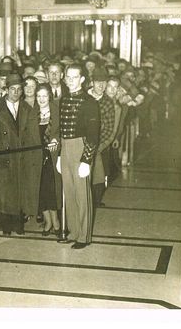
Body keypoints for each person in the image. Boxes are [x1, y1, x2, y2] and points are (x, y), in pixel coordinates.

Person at [0, 73, 42, 235]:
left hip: (22, 155)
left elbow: (32, 134)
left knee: (20, 190)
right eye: (13, 89)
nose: (16, 93)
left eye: (19, 89)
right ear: (6, 90)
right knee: (5, 192)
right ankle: (6, 225)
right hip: (5, 154)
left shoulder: (27, 108)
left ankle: (18, 223)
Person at [56, 63, 100, 249]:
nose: (71, 81)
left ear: (82, 79)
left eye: (75, 77)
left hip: (80, 147)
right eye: (68, 77)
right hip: (66, 147)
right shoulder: (64, 100)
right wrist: (59, 154)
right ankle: (74, 231)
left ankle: (84, 236)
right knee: (69, 191)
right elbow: (61, 130)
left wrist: (86, 159)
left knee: (82, 194)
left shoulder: (90, 102)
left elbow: (93, 134)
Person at [35, 84, 62, 236]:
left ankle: (56, 222)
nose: (41, 99)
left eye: (44, 96)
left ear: (49, 96)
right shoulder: (33, 113)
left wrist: (56, 140)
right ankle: (48, 221)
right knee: (40, 191)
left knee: (52, 190)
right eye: (39, 96)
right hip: (38, 158)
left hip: (53, 156)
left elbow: (62, 131)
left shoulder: (56, 112)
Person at [87, 67, 115, 211]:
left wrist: (99, 147)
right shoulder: (84, 97)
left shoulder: (108, 102)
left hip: (99, 146)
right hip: (83, 143)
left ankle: (94, 201)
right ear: (92, 82)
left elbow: (110, 129)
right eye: (98, 82)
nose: (101, 86)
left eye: (104, 82)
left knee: (99, 178)